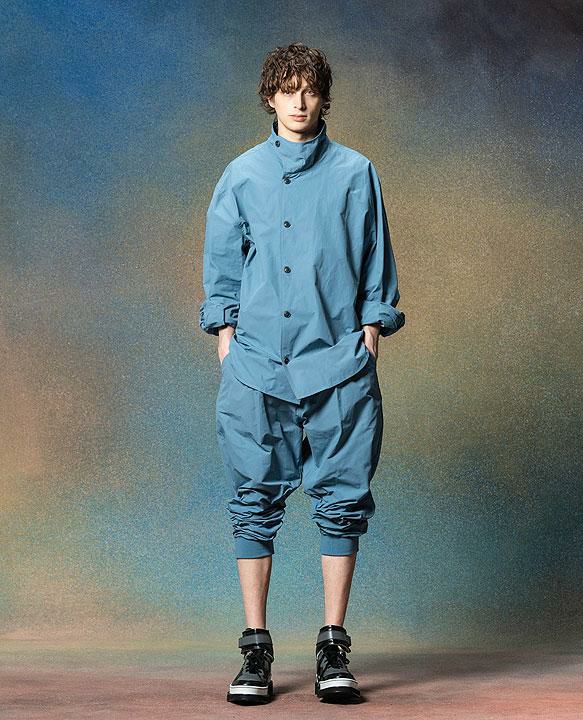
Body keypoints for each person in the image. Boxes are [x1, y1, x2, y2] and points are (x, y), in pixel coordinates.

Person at [199, 42, 405, 705]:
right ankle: (255, 649)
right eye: (287, 90)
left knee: (343, 497)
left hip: (337, 363)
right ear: (269, 96)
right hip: (257, 365)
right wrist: (226, 338)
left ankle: (333, 645)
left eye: (309, 89)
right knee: (252, 498)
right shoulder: (241, 175)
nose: (299, 101)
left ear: (324, 98)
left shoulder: (356, 172)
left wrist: (370, 331)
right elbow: (222, 263)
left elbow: (375, 257)